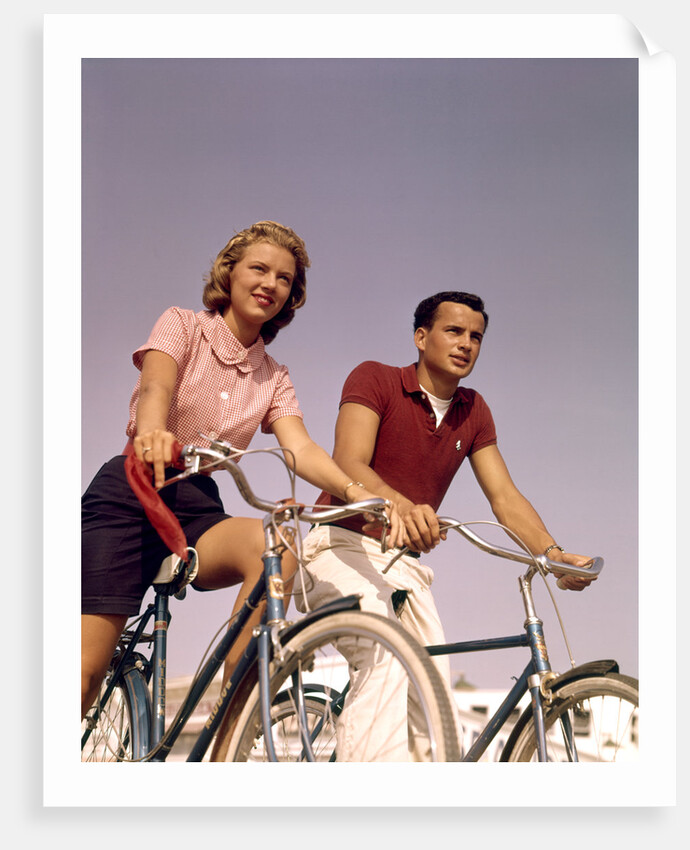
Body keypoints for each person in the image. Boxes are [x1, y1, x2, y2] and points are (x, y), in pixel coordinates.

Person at [81, 220, 394, 723]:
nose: (271, 284)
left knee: (277, 546)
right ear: (229, 274)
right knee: (83, 674)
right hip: (132, 491)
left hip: (198, 507)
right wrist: (153, 431)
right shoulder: (182, 324)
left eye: (284, 279)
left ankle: (233, 722)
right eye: (259, 269)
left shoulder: (274, 376)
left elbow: (300, 448)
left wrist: (357, 492)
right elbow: (158, 385)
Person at [293, 290, 596, 761]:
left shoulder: (474, 410)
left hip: (403, 563)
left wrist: (552, 556)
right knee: (384, 655)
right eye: (454, 331)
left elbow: (504, 497)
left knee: (432, 704)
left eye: (476, 336)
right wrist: (401, 505)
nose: (466, 343)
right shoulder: (375, 378)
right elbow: (349, 461)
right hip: (338, 545)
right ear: (421, 337)